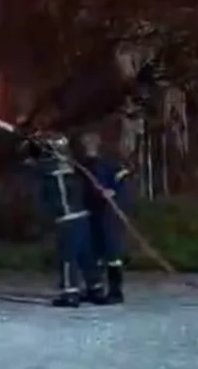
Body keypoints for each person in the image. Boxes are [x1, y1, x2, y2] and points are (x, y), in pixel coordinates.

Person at [21, 131, 104, 307]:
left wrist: (30, 145)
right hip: (82, 217)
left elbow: (31, 164)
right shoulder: (70, 168)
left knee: (68, 257)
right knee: (85, 255)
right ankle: (95, 289)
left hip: (67, 220)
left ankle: (70, 293)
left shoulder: (52, 170)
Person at [78, 127, 132, 305]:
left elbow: (124, 181)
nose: (88, 146)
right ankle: (95, 289)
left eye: (91, 142)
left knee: (112, 252)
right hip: (92, 212)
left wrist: (113, 192)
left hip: (110, 212)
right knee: (93, 252)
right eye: (85, 143)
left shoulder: (111, 162)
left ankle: (116, 292)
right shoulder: (83, 164)